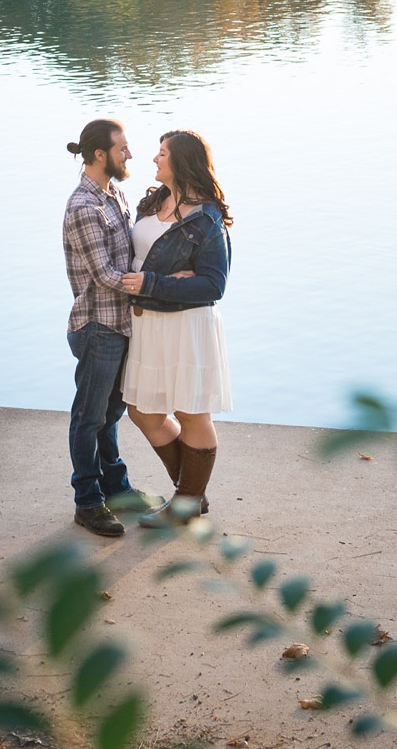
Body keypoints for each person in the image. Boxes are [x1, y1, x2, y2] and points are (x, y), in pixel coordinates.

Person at [118, 130, 232, 526]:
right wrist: (160, 280)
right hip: (148, 323)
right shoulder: (152, 201)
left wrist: (158, 284)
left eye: (162, 153)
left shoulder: (207, 217)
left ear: (182, 161)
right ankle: (190, 495)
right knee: (142, 410)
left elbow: (214, 284)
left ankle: (184, 504)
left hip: (186, 325)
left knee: (191, 413)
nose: (154, 159)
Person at [61, 118, 150, 537]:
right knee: (89, 416)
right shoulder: (83, 207)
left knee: (111, 413)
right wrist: (155, 288)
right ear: (101, 154)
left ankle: (117, 488)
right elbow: (104, 273)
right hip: (98, 325)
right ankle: (88, 502)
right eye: (123, 148)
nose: (130, 154)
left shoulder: (114, 193)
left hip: (120, 324)